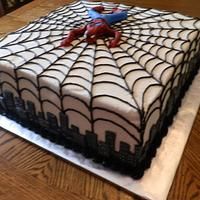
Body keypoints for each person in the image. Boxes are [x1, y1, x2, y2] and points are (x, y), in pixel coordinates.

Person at [60, 6, 128, 48]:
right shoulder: (88, 27)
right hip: (96, 18)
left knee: (124, 14)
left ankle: (117, 11)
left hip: (106, 19)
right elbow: (73, 31)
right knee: (90, 11)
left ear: (95, 36)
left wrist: (115, 41)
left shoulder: (103, 28)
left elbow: (117, 33)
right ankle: (96, 9)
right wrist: (68, 39)